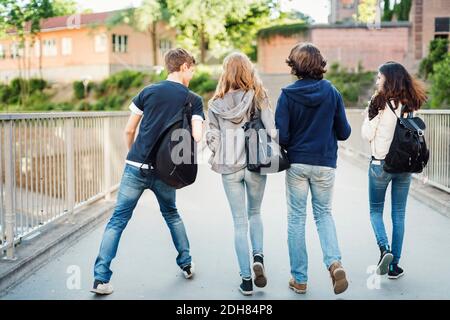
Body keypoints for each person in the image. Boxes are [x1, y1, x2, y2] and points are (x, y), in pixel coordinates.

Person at [91, 48, 205, 295]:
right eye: (192, 69)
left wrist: (134, 155)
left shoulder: (148, 91)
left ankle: (100, 279)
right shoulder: (193, 99)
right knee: (172, 215)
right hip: (166, 170)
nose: (193, 74)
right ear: (184, 66)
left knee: (117, 220)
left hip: (135, 166)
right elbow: (196, 137)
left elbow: (128, 130)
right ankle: (186, 264)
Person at [275, 43, 351, 295]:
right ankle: (334, 263)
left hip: (297, 163)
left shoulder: (286, 95)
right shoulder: (332, 92)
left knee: (297, 219)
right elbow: (344, 132)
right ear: (320, 63)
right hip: (325, 163)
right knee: (324, 214)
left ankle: (299, 279)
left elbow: (282, 136)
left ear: (293, 65)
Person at [206, 52, 276, 296]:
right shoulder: (259, 96)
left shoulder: (216, 103)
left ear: (225, 72)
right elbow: (272, 129)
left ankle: (246, 280)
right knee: (255, 213)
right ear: (248, 70)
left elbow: (211, 138)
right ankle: (258, 256)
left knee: (238, 222)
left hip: (229, 166)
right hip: (256, 163)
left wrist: (221, 148)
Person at [361, 61, 427, 279]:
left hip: (380, 165)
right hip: (404, 167)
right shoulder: (411, 103)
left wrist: (368, 115)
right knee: (399, 214)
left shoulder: (378, 101)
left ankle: (384, 249)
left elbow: (367, 134)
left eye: (379, 77)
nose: (377, 81)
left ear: (388, 78)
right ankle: (394, 266)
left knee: (375, 212)